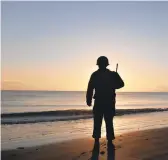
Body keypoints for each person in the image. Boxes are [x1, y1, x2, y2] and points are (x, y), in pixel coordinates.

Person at [86, 56, 124, 142]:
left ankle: (98, 139)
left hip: (102, 101)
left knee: (99, 121)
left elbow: (90, 88)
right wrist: (114, 84)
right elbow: (90, 88)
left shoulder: (97, 74)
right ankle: (108, 139)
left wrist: (89, 100)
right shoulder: (111, 74)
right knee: (106, 121)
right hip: (107, 101)